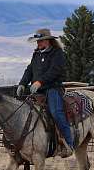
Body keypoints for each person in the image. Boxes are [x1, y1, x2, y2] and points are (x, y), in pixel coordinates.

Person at [17, 28, 74, 157]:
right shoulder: (36, 54)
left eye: (40, 41)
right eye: (37, 41)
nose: (38, 44)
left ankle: (69, 144)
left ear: (47, 41)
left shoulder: (57, 53)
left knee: (56, 113)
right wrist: (22, 83)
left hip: (53, 88)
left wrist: (40, 82)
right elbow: (30, 70)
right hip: (38, 90)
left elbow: (55, 71)